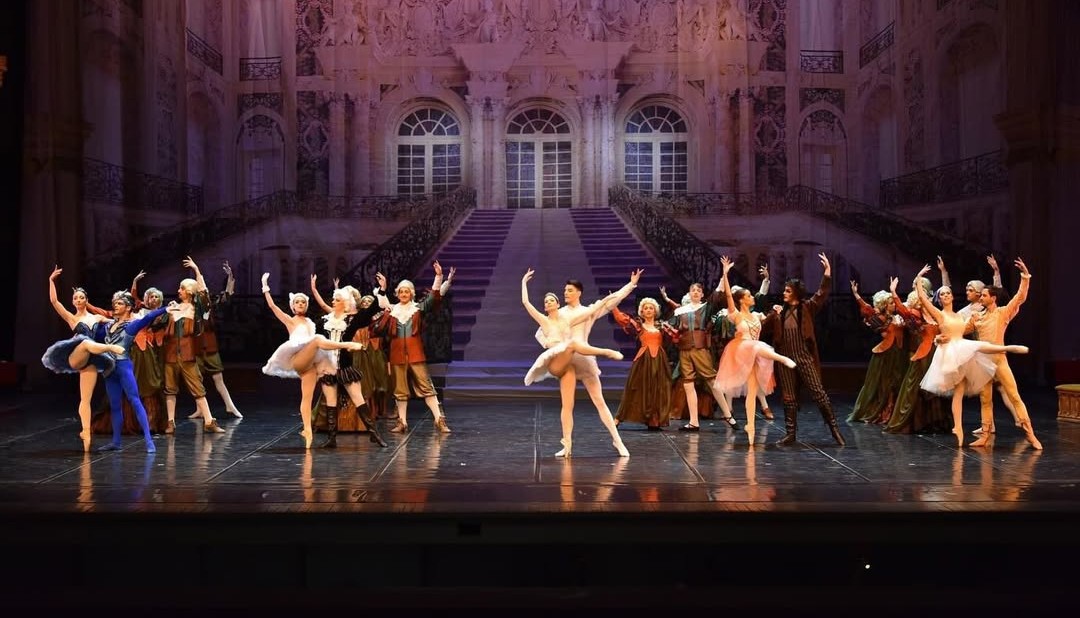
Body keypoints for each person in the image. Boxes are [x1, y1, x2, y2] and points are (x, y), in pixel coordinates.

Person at [912, 264, 1028, 447]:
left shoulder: (984, 314)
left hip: (983, 354)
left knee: (1007, 392)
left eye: (948, 293)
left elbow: (1013, 297)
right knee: (980, 397)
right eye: (942, 294)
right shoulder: (960, 316)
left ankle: (1024, 428)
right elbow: (951, 327)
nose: (946, 295)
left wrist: (1023, 277)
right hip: (968, 356)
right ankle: (978, 431)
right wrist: (939, 339)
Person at [261, 273, 367, 449]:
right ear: (292, 306)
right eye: (297, 302)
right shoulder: (290, 321)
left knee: (307, 398)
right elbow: (272, 306)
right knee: (318, 340)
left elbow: (333, 312)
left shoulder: (311, 322)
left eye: (303, 302)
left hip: (310, 364)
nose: (300, 304)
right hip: (298, 359)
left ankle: (308, 431)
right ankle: (347, 345)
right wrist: (265, 286)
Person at [548, 270, 643, 458]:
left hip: (585, 358)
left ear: (579, 293)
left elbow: (611, 301)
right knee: (567, 405)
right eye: (565, 290)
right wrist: (551, 345)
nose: (566, 293)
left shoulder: (588, 311)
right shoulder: (559, 313)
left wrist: (631, 284)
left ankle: (617, 440)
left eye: (569, 290)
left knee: (599, 401)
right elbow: (543, 331)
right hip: (567, 360)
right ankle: (567, 444)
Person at [761, 253, 845, 446]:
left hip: (804, 356)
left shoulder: (807, 307)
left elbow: (821, 294)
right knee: (788, 396)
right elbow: (762, 328)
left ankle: (834, 430)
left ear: (796, 293)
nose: (784, 293)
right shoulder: (779, 312)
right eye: (784, 290)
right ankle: (790, 434)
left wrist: (827, 274)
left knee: (818, 392)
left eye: (788, 291)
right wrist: (773, 314)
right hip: (785, 358)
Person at [714, 256, 795, 441]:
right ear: (742, 300)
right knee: (756, 346)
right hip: (741, 350)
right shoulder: (735, 315)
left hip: (754, 355)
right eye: (749, 296)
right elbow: (728, 296)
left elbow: (770, 321)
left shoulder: (757, 316)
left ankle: (750, 425)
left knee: (752, 392)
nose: (752, 297)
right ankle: (781, 358)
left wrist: (777, 311)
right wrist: (725, 274)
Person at [41, 266, 121, 450]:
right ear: (72, 301)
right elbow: (54, 301)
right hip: (75, 356)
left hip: (90, 360)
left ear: (86, 300)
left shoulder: (97, 318)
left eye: (81, 297)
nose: (78, 300)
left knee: (86, 399)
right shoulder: (72, 318)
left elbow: (117, 321)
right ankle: (110, 349)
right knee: (85, 342)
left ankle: (85, 431)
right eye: (75, 298)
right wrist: (51, 281)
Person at [969, 258, 1042, 450]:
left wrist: (1025, 276)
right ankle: (985, 435)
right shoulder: (977, 317)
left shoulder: (1002, 313)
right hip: (983, 363)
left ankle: (1030, 434)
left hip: (999, 361)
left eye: (984, 295)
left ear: (993, 298)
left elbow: (1019, 298)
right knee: (985, 400)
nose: (981, 298)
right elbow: (959, 329)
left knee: (1014, 396)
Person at [374, 261, 455, 434]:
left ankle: (439, 420)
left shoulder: (417, 309)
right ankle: (402, 422)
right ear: (397, 294)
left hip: (415, 354)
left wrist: (439, 276)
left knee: (427, 387)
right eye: (401, 292)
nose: (404, 294)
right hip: (397, 355)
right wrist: (383, 287)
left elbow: (433, 298)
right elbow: (381, 303)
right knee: (400, 389)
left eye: (407, 291)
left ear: (411, 294)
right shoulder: (393, 310)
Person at [314, 275, 389, 448]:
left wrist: (382, 289)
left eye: (337, 300)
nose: (333, 302)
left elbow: (372, 309)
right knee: (331, 402)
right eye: (333, 300)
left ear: (345, 303)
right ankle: (331, 438)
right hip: (328, 369)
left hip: (345, 367)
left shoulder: (351, 321)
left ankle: (374, 434)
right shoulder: (324, 322)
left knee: (358, 399)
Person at [521, 268, 624, 386]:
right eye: (546, 302)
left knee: (572, 372)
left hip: (567, 355)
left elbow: (591, 311)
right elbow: (526, 302)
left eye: (551, 300)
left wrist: (606, 299)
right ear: (544, 308)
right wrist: (524, 282)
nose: (548, 302)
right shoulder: (543, 321)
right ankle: (606, 352)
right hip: (555, 359)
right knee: (572, 344)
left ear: (558, 304)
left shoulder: (567, 320)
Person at [95, 291, 167, 452]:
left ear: (128, 307)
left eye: (119, 303)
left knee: (135, 400)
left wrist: (166, 308)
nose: (115, 306)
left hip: (123, 367)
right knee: (115, 405)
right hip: (109, 370)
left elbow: (149, 317)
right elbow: (95, 335)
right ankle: (116, 442)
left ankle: (148, 440)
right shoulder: (108, 326)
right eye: (115, 303)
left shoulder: (130, 326)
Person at [162, 257, 225, 434]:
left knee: (197, 387)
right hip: (171, 354)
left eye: (181, 288)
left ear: (189, 291)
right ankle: (170, 422)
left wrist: (197, 271)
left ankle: (209, 421)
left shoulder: (196, 310)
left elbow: (204, 296)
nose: (178, 291)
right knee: (170, 388)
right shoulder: (173, 308)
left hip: (188, 354)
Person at [847, 278, 908, 425]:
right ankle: (882, 411)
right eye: (891, 303)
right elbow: (867, 309)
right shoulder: (881, 318)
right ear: (884, 305)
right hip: (886, 354)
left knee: (896, 382)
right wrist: (856, 295)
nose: (894, 305)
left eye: (893, 302)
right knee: (885, 383)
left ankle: (892, 411)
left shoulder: (897, 317)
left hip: (898, 352)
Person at [611, 298, 678, 430]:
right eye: (645, 308)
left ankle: (654, 420)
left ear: (655, 311)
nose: (648, 310)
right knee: (634, 388)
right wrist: (614, 306)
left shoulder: (662, 326)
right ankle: (619, 418)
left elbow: (676, 336)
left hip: (659, 360)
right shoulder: (639, 325)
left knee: (658, 389)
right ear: (641, 311)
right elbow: (623, 320)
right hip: (643, 360)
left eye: (651, 308)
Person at [188, 260, 242, 420]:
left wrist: (230, 278)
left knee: (218, 378)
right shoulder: (187, 306)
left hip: (209, 345)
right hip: (195, 346)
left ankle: (230, 405)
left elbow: (226, 296)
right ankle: (200, 409)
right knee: (197, 379)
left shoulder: (208, 303)